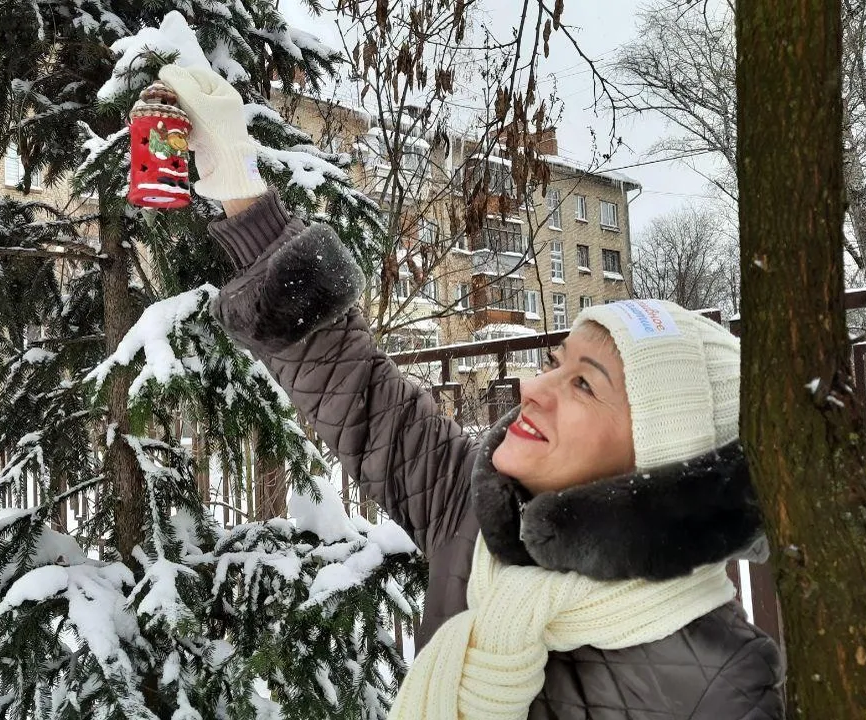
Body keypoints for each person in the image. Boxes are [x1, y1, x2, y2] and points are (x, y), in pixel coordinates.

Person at [158, 64, 785, 720]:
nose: (534, 387)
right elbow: (351, 378)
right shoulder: (479, 509)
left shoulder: (720, 681)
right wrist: (233, 174)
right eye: (555, 361)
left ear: (663, 450)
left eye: (583, 384)